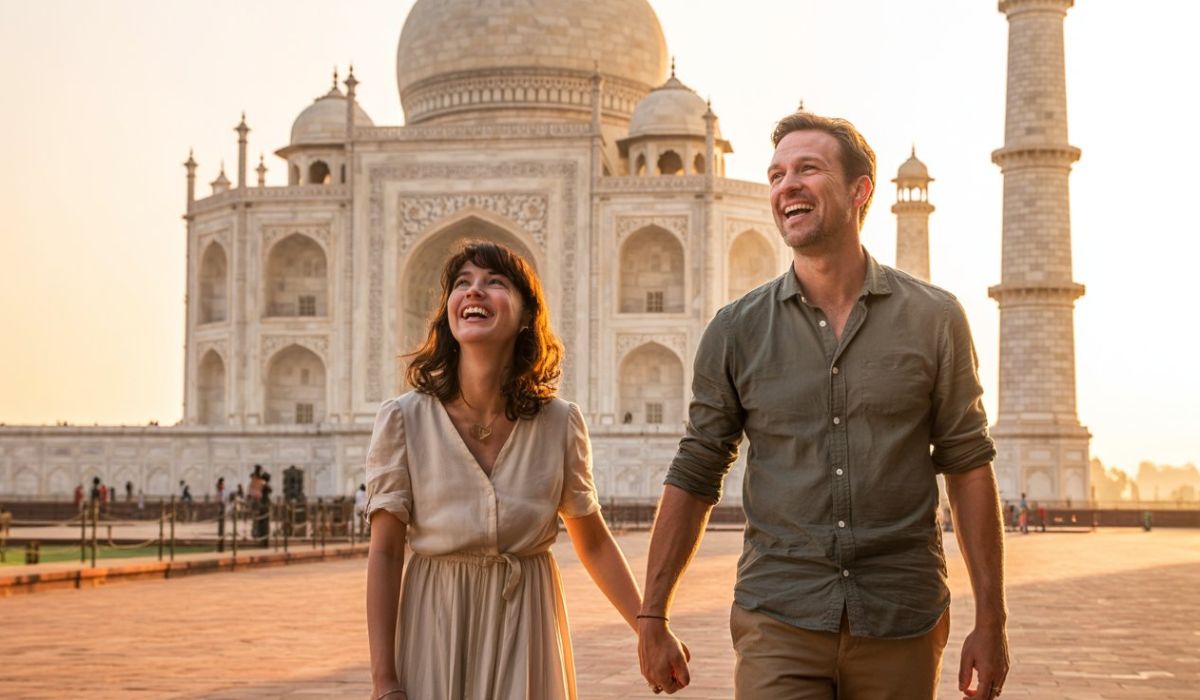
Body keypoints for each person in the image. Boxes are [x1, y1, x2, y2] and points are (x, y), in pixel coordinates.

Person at [637, 112, 1009, 700]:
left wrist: (992, 619)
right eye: (777, 173)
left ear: (860, 191)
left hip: (899, 614)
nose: (787, 184)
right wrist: (652, 616)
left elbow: (967, 464)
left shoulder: (934, 319)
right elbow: (697, 468)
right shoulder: (737, 330)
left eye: (808, 168)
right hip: (780, 614)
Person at [365, 241, 643, 700]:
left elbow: (592, 541)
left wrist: (647, 627)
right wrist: (384, 680)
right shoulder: (404, 419)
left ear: (526, 314)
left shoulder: (558, 422)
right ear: (448, 312)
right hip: (437, 622)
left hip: (527, 624)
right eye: (462, 283)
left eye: (494, 282)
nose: (474, 292)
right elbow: (386, 553)